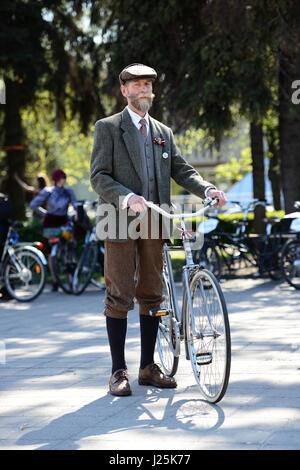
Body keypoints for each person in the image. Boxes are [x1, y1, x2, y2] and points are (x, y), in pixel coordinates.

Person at [90, 63, 227, 397]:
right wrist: (126, 197)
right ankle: (117, 371)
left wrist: (206, 189)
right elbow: (99, 177)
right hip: (119, 221)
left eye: (148, 85)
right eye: (137, 85)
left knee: (152, 294)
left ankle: (148, 367)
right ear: (124, 91)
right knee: (119, 295)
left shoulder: (163, 131)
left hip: (155, 221)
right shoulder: (108, 128)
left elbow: (182, 170)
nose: (144, 90)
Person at [30, 169, 78, 291]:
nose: (63, 179)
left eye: (64, 177)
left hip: (64, 223)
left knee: (69, 246)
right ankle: (55, 280)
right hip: (50, 224)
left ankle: (71, 277)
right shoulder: (48, 191)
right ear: (56, 179)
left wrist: (77, 213)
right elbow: (33, 204)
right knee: (51, 252)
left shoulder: (68, 192)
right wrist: (45, 214)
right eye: (61, 177)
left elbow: (75, 205)